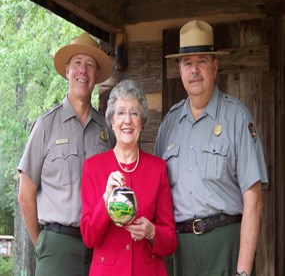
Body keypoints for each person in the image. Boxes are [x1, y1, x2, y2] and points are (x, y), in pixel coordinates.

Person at [154, 20, 268, 276]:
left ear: (215, 67)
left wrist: (243, 271)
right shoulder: (168, 125)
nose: (194, 70)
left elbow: (254, 200)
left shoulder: (236, 117)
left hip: (224, 244)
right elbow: (156, 195)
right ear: (180, 70)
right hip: (179, 250)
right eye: (187, 63)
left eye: (201, 61)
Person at [17, 32, 115, 276]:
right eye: (78, 64)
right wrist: (41, 243)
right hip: (56, 246)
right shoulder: (45, 126)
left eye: (90, 65)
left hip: (98, 245)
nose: (83, 70)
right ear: (67, 72)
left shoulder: (106, 131)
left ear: (96, 76)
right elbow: (25, 193)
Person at [80, 79, 177, 276]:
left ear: (141, 123)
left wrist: (151, 232)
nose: (128, 120)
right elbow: (89, 238)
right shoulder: (93, 167)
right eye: (121, 113)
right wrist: (106, 199)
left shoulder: (157, 168)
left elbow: (170, 241)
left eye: (134, 113)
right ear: (112, 122)